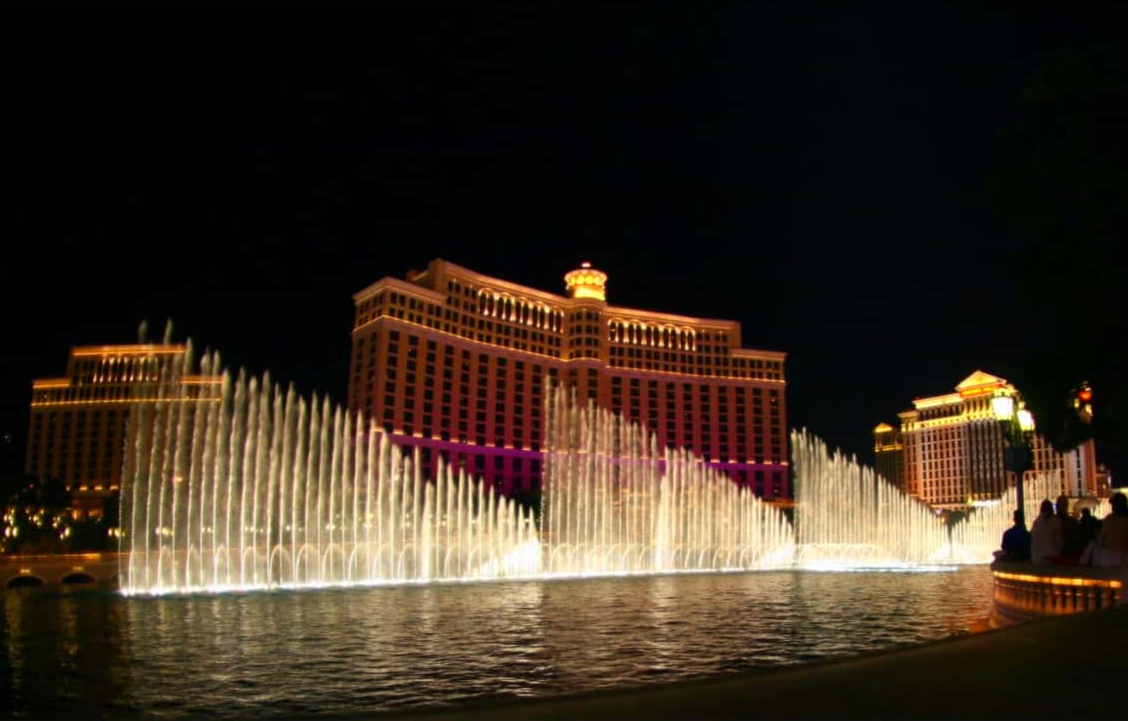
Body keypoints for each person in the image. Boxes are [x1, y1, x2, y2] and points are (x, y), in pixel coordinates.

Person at [1093, 492, 1128, 568]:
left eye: (1113, 505)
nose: (1112, 507)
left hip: (1110, 554)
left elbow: (1102, 537)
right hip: (1124, 553)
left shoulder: (1109, 519)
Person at [1030, 499, 1062, 565]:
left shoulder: (1036, 522)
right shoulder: (1056, 521)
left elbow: (1034, 540)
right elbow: (1059, 540)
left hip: (1037, 558)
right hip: (1052, 557)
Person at [1055, 494, 1081, 563]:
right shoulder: (1072, 522)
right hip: (1069, 555)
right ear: (1066, 506)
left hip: (1055, 556)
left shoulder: (1051, 521)